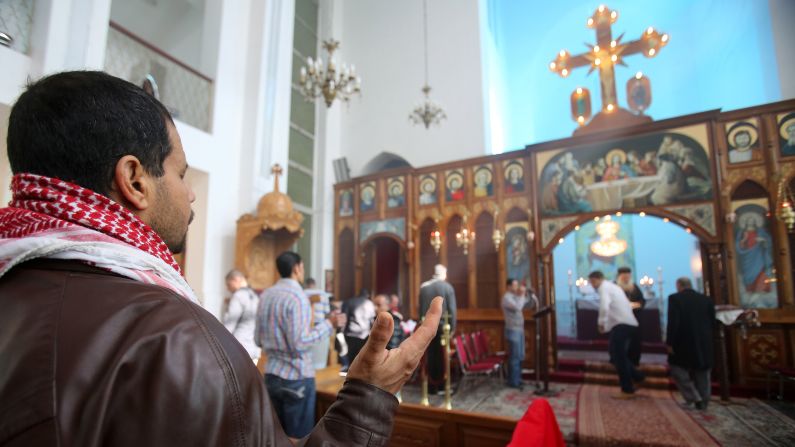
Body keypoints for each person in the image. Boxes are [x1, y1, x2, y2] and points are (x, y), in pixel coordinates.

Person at [0, 70, 446, 447]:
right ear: (134, 180)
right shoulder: (175, 341)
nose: (190, 191)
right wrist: (370, 394)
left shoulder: (16, 289)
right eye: (179, 173)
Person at [588, 271, 644, 398]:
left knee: (618, 357)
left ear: (597, 279)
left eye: (591, 282)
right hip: (625, 324)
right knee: (617, 355)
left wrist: (601, 324)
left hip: (622, 325)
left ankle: (627, 389)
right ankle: (638, 377)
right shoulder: (612, 287)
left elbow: (604, 307)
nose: (591, 285)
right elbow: (615, 310)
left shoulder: (604, 288)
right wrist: (607, 327)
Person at [667, 277, 715, 410]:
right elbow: (712, 321)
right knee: (703, 371)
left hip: (683, 340)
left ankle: (694, 397)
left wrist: (669, 343)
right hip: (704, 341)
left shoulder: (675, 298)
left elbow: (673, 322)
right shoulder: (706, 299)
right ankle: (704, 400)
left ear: (679, 285)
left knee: (677, 369)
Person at [419, 264, 458, 394]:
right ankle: (442, 386)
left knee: (429, 356)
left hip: (426, 328)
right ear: (444, 274)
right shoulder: (447, 287)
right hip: (442, 328)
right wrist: (452, 329)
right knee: (442, 357)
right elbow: (452, 310)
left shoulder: (424, 287)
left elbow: (420, 310)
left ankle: (430, 386)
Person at [501, 278, 538, 390]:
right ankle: (513, 381)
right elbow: (518, 307)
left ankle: (518, 379)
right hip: (512, 330)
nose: (517, 287)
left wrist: (530, 294)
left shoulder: (515, 297)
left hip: (519, 329)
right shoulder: (506, 298)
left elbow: (528, 305)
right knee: (514, 357)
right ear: (508, 287)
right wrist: (522, 295)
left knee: (520, 356)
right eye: (515, 285)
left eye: (517, 285)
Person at [223, 269, 261, 360]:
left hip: (239, 347)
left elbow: (229, 324)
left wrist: (221, 343)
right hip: (254, 348)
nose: (227, 288)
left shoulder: (238, 296)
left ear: (235, 280)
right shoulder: (255, 296)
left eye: (228, 284)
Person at [616, 267, 645, 366]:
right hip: (620, 320)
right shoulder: (615, 287)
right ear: (619, 277)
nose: (626, 279)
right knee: (621, 342)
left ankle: (633, 361)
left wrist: (636, 304)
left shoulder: (634, 287)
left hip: (634, 318)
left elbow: (642, 301)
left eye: (628, 277)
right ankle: (620, 361)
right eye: (624, 277)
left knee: (634, 342)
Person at [342, 288, 377, 364]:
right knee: (361, 358)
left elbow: (344, 318)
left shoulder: (349, 302)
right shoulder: (370, 304)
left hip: (351, 333)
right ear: (367, 295)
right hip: (364, 334)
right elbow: (372, 320)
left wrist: (341, 332)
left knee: (350, 357)